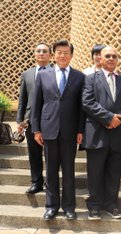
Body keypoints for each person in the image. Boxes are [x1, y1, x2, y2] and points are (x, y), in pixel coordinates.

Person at [31, 39, 85, 220]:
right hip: (49, 129)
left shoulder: (79, 77)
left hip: (70, 132)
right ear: (54, 55)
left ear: (71, 55)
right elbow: (36, 104)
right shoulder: (43, 75)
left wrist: (80, 130)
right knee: (51, 170)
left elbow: (81, 107)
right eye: (59, 52)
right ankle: (51, 206)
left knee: (69, 170)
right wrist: (37, 130)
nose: (62, 55)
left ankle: (69, 207)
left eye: (66, 52)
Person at [82, 46, 121, 220]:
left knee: (114, 172)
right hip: (97, 133)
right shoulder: (89, 79)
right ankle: (94, 206)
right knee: (95, 172)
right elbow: (87, 103)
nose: (111, 58)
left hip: (117, 135)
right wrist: (109, 118)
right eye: (107, 56)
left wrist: (120, 117)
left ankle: (111, 204)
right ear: (100, 59)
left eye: (114, 56)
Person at [16, 43, 52, 194]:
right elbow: (23, 99)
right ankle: (36, 182)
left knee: (51, 153)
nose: (41, 53)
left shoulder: (55, 72)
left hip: (51, 119)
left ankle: (51, 183)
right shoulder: (27, 74)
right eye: (38, 51)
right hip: (31, 120)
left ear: (50, 55)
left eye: (44, 51)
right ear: (34, 54)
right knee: (34, 153)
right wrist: (19, 120)